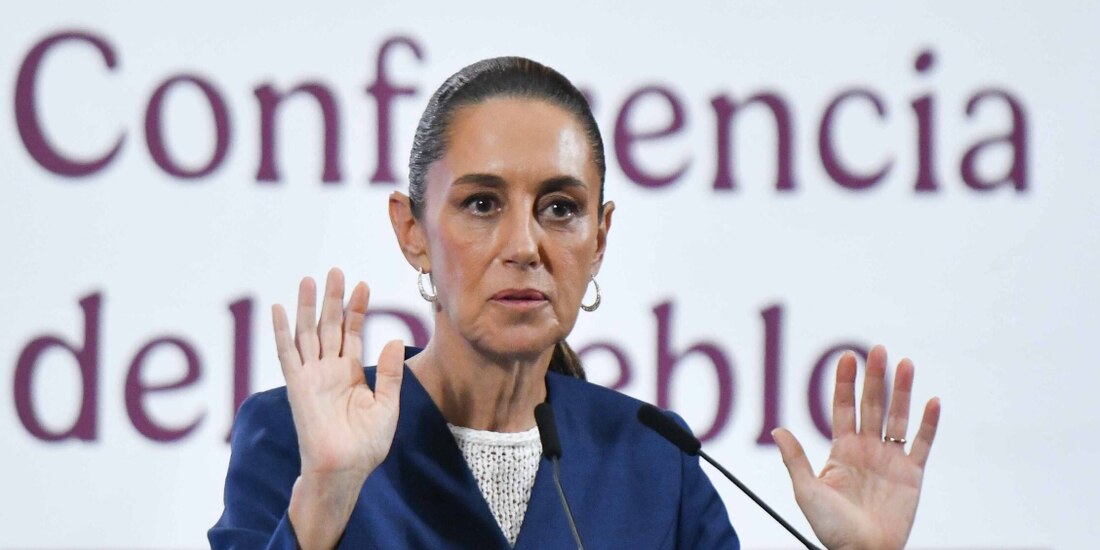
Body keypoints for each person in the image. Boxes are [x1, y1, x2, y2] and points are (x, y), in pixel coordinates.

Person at [209, 57, 941, 550]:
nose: (524, 244)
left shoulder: (657, 461)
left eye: (560, 207)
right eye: (482, 203)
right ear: (413, 232)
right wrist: (325, 500)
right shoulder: (297, 437)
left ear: (600, 236)